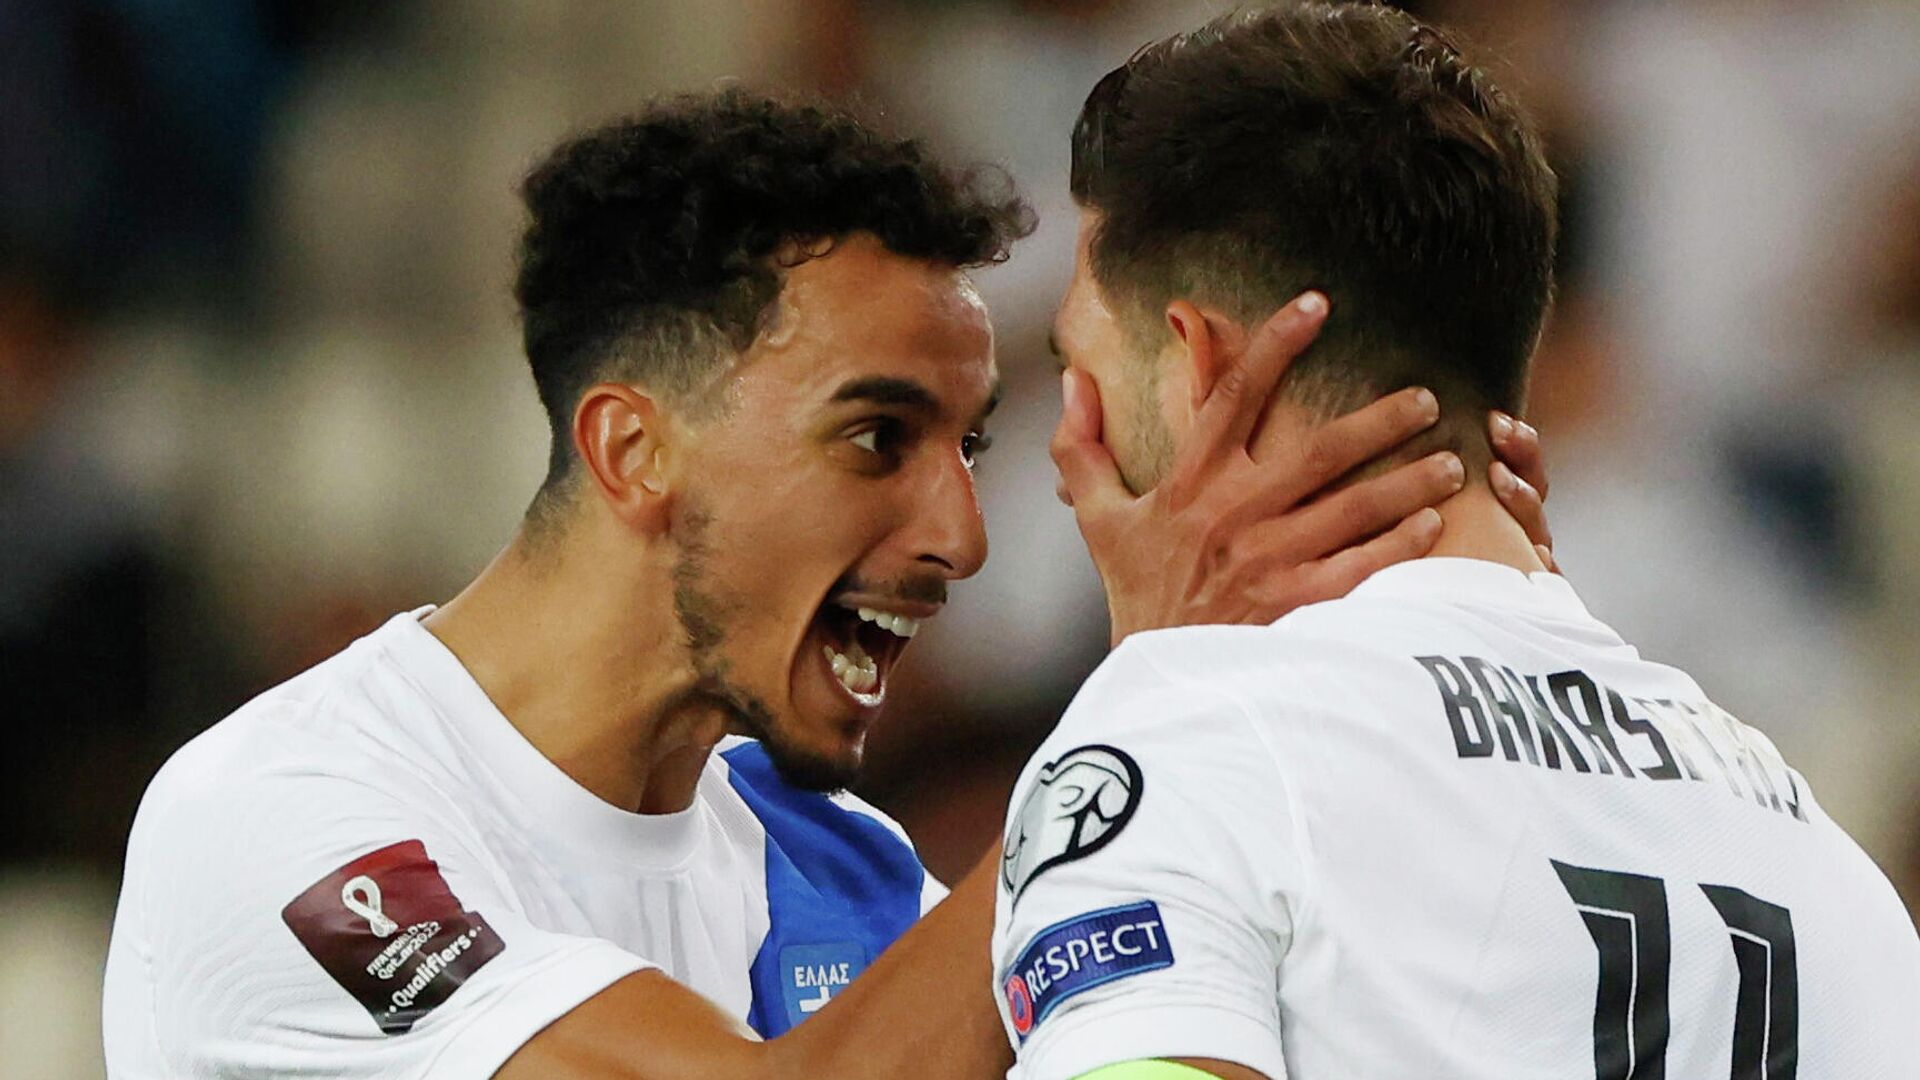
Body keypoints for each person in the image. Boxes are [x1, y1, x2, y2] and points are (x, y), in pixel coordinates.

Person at [100, 90, 1548, 1079]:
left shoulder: (848, 875)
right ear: (632, 448)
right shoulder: (295, 822)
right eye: (879, 439)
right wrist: (1159, 691)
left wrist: (1403, 656)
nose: (962, 536)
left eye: (968, 445)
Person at [992, 6, 1920, 1080]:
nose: (1070, 438)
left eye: (1080, 359)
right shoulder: (1818, 855)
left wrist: (1150, 688)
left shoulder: (1197, 744)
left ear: (1200, 363)